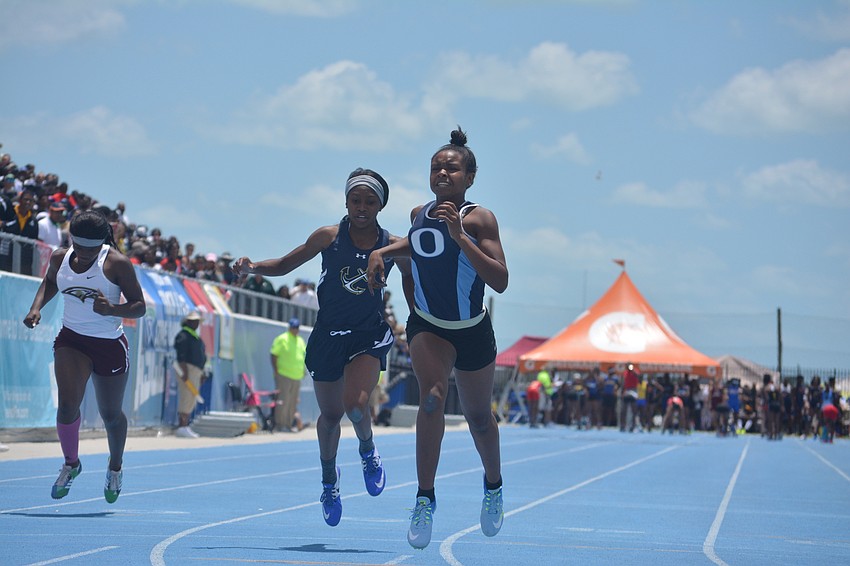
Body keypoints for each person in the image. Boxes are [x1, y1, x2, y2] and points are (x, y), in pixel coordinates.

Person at [232, 167, 411, 528]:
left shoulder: (393, 245)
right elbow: (285, 263)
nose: (361, 207)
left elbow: (414, 280)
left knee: (356, 407)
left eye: (369, 201)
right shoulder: (328, 236)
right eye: (355, 200)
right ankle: (329, 481)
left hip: (367, 335)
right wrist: (253, 268)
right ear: (346, 201)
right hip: (329, 336)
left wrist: (421, 322)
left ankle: (367, 450)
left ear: (380, 205)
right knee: (330, 417)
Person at [367, 126, 509, 550]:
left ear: (469, 178)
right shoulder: (418, 214)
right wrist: (383, 253)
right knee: (430, 397)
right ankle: (424, 498)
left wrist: (461, 237)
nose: (442, 172)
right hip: (429, 326)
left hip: (472, 330)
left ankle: (494, 485)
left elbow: (500, 281)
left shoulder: (480, 219)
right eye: (436, 167)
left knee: (478, 417)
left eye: (452, 167)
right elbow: (416, 249)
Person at [22, 210, 146, 503]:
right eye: (80, 248)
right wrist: (36, 307)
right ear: (71, 241)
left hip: (108, 345)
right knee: (66, 407)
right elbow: (51, 281)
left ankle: (115, 467)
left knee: (111, 415)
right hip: (72, 340)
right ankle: (71, 464)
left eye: (93, 248)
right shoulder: (59, 257)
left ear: (102, 242)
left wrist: (113, 310)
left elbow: (139, 306)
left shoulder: (117, 264)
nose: (87, 253)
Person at [269, 318, 307, 432]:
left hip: (296, 376)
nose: (295, 330)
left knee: (293, 402)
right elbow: (273, 354)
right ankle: (280, 424)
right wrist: (276, 371)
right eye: (293, 327)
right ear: (289, 327)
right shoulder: (282, 339)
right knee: (283, 401)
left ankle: (289, 424)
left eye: (297, 328)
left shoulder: (300, 341)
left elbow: (302, 356)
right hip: (284, 375)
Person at [174, 310, 207, 438]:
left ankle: (186, 425)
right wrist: (184, 371)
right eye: (194, 321)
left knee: (191, 398)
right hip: (187, 369)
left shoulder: (195, 336)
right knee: (186, 396)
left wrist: (202, 372)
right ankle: (182, 425)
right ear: (188, 322)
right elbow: (181, 355)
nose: (196, 323)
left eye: (197, 321)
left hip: (196, 371)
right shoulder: (183, 335)